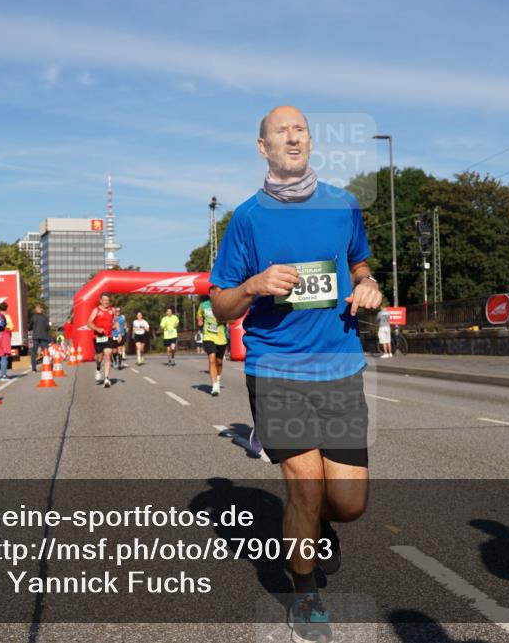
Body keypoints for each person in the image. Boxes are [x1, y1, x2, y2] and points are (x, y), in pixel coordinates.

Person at [209, 106, 383, 643]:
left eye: (300, 129)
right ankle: (304, 591)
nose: (293, 136)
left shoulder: (343, 204)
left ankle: (324, 528)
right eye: (281, 131)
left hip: (339, 366)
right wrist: (254, 285)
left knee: (349, 504)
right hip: (276, 367)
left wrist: (369, 284)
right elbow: (219, 305)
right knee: (305, 489)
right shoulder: (247, 218)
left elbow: (359, 263)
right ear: (262, 148)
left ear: (311, 142)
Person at [197, 296, 227, 396]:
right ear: (210, 294)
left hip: (221, 337)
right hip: (208, 336)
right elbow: (199, 315)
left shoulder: (223, 304)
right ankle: (214, 385)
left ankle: (218, 379)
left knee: (219, 362)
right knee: (211, 359)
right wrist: (200, 320)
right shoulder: (203, 305)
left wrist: (223, 319)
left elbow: (231, 318)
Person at [87, 293, 117, 387]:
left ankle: (107, 379)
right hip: (98, 337)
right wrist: (97, 329)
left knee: (108, 355)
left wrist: (119, 333)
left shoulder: (112, 310)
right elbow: (89, 323)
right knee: (99, 357)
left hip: (109, 336)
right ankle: (98, 369)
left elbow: (115, 322)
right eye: (104, 300)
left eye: (107, 300)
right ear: (100, 300)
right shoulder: (96, 310)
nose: (106, 302)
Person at [30, 304, 52, 373]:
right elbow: (48, 328)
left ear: (36, 310)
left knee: (34, 353)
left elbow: (29, 327)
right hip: (44, 337)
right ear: (41, 309)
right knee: (45, 352)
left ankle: (34, 369)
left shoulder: (33, 317)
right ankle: (47, 366)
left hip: (36, 337)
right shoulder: (45, 317)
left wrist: (32, 328)